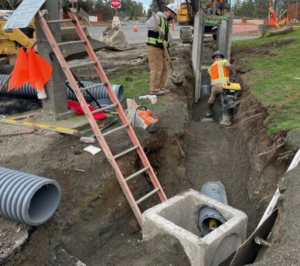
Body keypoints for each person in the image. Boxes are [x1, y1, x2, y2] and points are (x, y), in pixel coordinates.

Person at [146, 3, 178, 95]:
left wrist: (168, 48)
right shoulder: (158, 18)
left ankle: (161, 87)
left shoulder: (165, 21)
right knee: (157, 68)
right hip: (154, 47)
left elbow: (166, 38)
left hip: (162, 47)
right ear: (169, 12)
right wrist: (158, 29)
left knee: (164, 68)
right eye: (173, 15)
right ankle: (154, 89)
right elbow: (148, 24)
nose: (173, 17)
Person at [206, 50, 234, 117]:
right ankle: (227, 114)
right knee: (227, 99)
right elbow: (228, 65)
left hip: (215, 87)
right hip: (225, 85)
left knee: (212, 100)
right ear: (221, 57)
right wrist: (233, 70)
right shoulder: (223, 61)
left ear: (214, 58)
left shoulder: (210, 67)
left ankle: (209, 112)